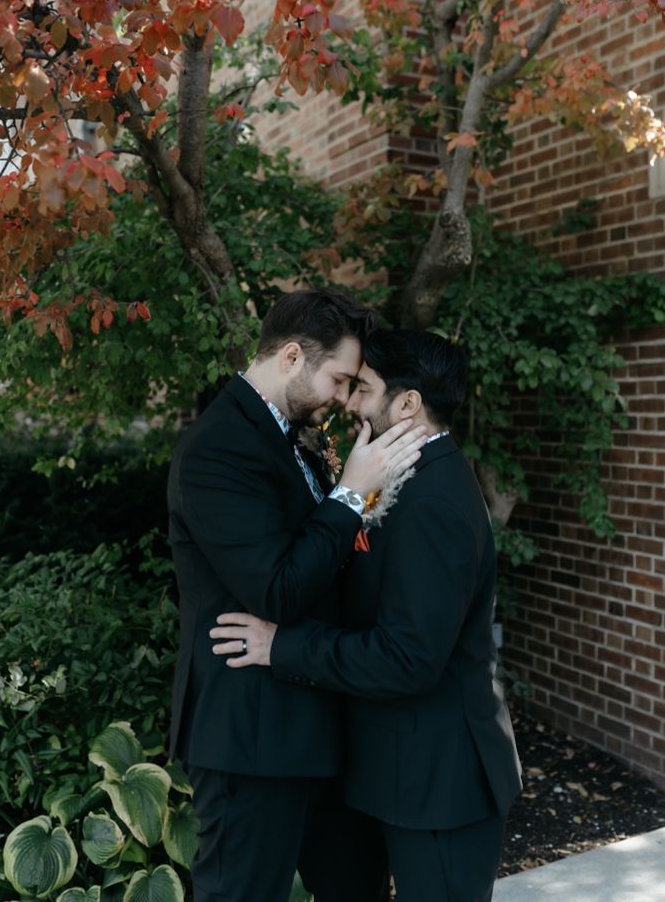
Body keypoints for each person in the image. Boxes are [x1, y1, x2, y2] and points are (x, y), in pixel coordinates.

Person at [210, 329, 523, 902]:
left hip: (441, 782)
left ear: (408, 404)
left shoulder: (434, 503)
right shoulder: (407, 477)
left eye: (365, 389)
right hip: (392, 770)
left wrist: (283, 646)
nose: (350, 403)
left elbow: (408, 657)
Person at [167, 291, 428, 902]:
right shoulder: (216, 448)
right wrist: (350, 494)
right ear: (291, 357)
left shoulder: (287, 434)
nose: (342, 398)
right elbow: (277, 589)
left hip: (320, 724)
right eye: (338, 379)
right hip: (252, 737)